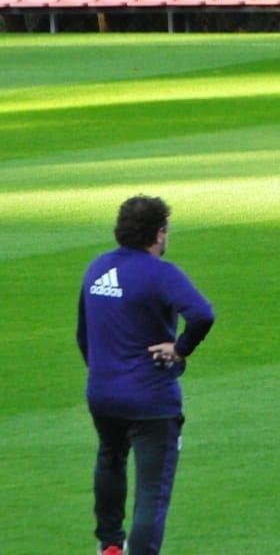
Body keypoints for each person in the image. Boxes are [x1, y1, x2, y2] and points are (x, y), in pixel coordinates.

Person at [77, 195, 215, 555]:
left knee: (109, 457)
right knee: (151, 490)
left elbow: (83, 335)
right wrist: (180, 349)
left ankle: (109, 544)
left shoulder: (96, 269)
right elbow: (202, 314)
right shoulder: (161, 273)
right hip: (151, 398)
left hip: (103, 393)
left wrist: (106, 372)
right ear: (158, 233)